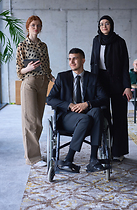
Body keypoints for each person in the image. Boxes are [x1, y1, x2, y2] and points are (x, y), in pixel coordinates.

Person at [47, 48, 107, 173]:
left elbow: (104, 98)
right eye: (70, 59)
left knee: (97, 112)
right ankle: (69, 159)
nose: (72, 61)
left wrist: (87, 104)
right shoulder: (62, 77)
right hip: (68, 117)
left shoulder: (93, 78)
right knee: (85, 118)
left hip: (88, 116)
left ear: (83, 60)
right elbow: (50, 99)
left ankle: (93, 160)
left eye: (75, 58)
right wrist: (68, 105)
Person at [90, 15, 132, 162]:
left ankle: (118, 151)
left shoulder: (120, 42)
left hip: (118, 83)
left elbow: (125, 66)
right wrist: (91, 84)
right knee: (103, 116)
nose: (104, 26)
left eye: (107, 23)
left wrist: (127, 87)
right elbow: (92, 62)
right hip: (100, 82)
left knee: (120, 117)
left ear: (111, 25)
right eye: (101, 24)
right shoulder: (96, 40)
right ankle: (105, 148)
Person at [16, 15, 55, 166]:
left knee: (38, 121)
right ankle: (32, 158)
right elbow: (19, 71)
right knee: (30, 121)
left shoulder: (43, 46)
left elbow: (47, 65)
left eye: (38, 25)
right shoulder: (22, 45)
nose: (36, 28)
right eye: (33, 25)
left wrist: (51, 77)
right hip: (29, 83)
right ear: (28, 27)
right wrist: (28, 68)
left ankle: (32, 152)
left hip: (43, 82)